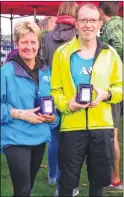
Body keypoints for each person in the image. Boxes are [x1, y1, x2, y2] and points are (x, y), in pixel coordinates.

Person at [51, 3, 122, 197]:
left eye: (92, 20)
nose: (88, 25)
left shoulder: (110, 54)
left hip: (101, 126)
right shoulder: (62, 54)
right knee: (67, 182)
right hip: (72, 127)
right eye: (83, 20)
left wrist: (105, 94)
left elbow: (120, 88)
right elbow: (55, 90)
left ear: (100, 23)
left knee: (98, 181)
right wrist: (68, 105)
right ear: (76, 23)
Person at [1, 21, 59, 197]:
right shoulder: (6, 72)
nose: (29, 47)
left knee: (28, 188)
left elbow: (53, 106)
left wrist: (53, 118)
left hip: (39, 138)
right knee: (23, 190)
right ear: (16, 43)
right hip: (15, 138)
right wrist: (20, 114)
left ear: (39, 44)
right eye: (24, 42)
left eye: (33, 42)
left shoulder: (46, 72)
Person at [39, 2, 79, 196]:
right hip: (71, 93)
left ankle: (53, 175)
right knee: (69, 140)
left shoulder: (47, 36)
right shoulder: (77, 37)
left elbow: (43, 62)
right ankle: (63, 185)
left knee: (54, 138)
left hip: (50, 91)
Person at [99, 1, 123, 191]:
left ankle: (115, 180)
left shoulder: (113, 29)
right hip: (115, 87)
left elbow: (118, 51)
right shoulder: (118, 24)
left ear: (100, 11)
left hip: (114, 87)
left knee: (112, 132)